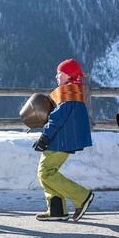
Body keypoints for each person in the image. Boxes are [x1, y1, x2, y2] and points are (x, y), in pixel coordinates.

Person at [32, 59, 94, 221]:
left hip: (60, 140)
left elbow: (56, 119)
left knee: (45, 173)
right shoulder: (74, 91)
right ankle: (57, 210)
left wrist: (45, 137)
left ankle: (82, 196)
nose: (56, 76)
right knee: (48, 172)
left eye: (60, 73)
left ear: (69, 75)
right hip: (62, 139)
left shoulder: (68, 93)